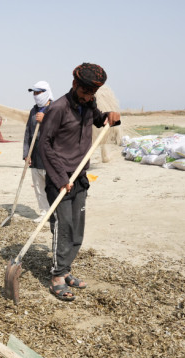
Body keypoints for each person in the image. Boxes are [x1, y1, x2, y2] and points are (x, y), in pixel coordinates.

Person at [38, 63, 121, 301]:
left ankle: (66, 270)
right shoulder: (59, 109)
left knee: (76, 230)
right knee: (62, 228)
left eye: (92, 94)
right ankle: (56, 277)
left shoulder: (89, 104)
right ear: (74, 85)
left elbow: (97, 120)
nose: (87, 98)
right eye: (85, 93)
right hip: (60, 178)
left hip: (80, 177)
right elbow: (45, 144)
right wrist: (61, 178)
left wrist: (109, 117)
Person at [24, 81, 54, 221]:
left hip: (50, 155)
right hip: (35, 155)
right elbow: (28, 132)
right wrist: (26, 154)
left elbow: (61, 129)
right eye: (34, 93)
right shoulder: (33, 110)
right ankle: (44, 212)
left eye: (39, 92)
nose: (36, 96)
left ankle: (54, 213)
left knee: (51, 186)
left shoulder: (55, 109)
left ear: (46, 92)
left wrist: (46, 119)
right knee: (38, 186)